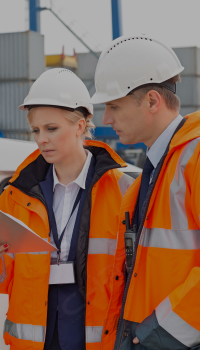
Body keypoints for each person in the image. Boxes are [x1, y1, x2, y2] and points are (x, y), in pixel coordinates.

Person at [0, 68, 134, 350]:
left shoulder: (124, 191)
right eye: (36, 130)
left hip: (97, 336)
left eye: (51, 128)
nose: (41, 139)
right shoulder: (14, 197)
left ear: (80, 126)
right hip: (37, 340)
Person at [90, 34, 200, 350]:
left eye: (113, 106)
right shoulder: (153, 174)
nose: (106, 119)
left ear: (152, 101)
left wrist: (159, 335)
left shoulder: (193, 158)